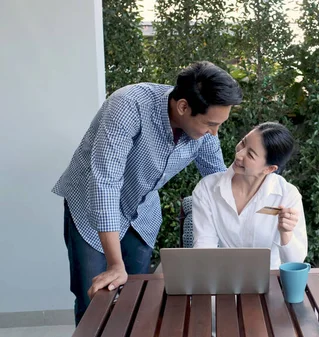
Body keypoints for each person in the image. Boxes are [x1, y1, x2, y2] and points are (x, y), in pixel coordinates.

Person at [52, 61, 242, 325]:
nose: (214, 132)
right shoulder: (129, 105)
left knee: (134, 298)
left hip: (141, 213)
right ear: (183, 107)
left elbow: (218, 180)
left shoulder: (205, 130)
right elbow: (104, 182)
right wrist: (115, 264)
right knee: (95, 299)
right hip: (90, 208)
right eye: (210, 124)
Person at [192, 122, 307, 269]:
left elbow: (295, 262)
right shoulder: (207, 188)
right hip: (225, 280)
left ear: (269, 168)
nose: (239, 154)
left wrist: (286, 233)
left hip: (270, 281)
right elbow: (204, 248)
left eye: (250, 155)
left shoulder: (287, 195)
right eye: (243, 143)